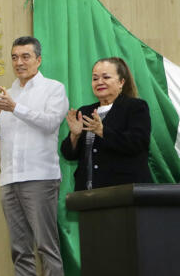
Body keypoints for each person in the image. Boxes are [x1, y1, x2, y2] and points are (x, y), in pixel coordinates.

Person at [0, 36, 68, 276]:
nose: (19, 62)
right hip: (10, 178)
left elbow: (50, 123)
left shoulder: (53, 89)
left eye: (25, 56)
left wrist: (15, 108)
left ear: (38, 59)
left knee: (47, 247)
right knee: (20, 250)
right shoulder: (7, 92)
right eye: (15, 57)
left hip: (40, 177)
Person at [61, 57, 152, 190]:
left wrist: (103, 131)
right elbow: (69, 155)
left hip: (124, 192)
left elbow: (137, 143)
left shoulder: (135, 107)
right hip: (88, 193)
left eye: (106, 77)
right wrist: (75, 136)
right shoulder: (85, 112)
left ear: (121, 82)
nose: (100, 82)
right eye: (95, 78)